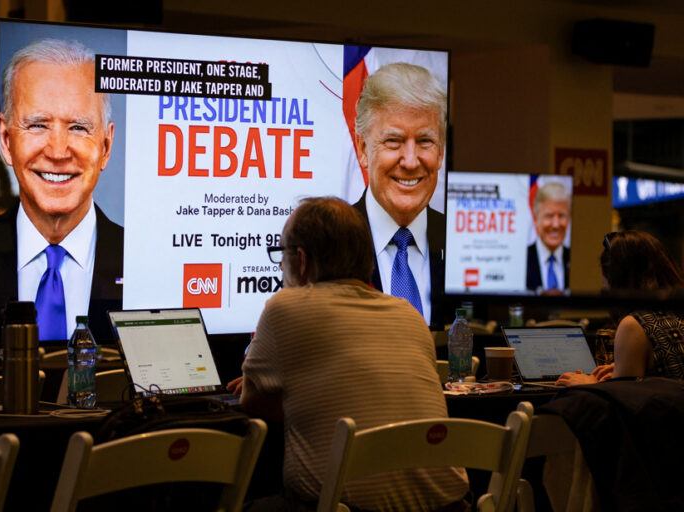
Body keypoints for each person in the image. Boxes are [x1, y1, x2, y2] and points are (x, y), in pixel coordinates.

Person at [232, 196, 469, 512]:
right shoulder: (410, 314)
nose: (279, 265)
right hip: (450, 507)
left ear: (301, 260)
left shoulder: (284, 308)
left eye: (281, 254)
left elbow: (254, 403)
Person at [0, 38, 123, 342]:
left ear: (106, 146)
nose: (58, 151)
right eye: (38, 125)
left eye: (78, 127)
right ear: (6, 139)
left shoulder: (141, 260)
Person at [351, 62, 446, 327]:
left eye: (425, 141)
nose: (411, 161)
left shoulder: (463, 246)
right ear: (362, 149)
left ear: (441, 153)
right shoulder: (329, 245)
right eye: (394, 141)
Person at [557, 230, 684, 386]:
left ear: (615, 278)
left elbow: (621, 405)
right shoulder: (676, 313)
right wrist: (622, 369)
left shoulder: (635, 324)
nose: (603, 285)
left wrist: (590, 385)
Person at [526, 182, 571, 293]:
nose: (556, 225)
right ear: (536, 220)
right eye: (549, 216)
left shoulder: (576, 260)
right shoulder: (522, 259)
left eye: (561, 215)